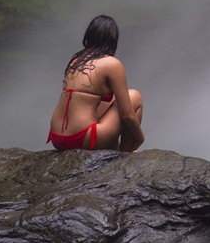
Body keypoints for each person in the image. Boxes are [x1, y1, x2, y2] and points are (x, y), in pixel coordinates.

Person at [47, 15, 144, 152]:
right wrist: (140, 138)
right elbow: (126, 114)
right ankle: (124, 155)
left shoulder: (75, 61)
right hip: (82, 138)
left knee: (109, 101)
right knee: (134, 96)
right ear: (112, 39)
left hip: (57, 139)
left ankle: (113, 150)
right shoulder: (111, 63)